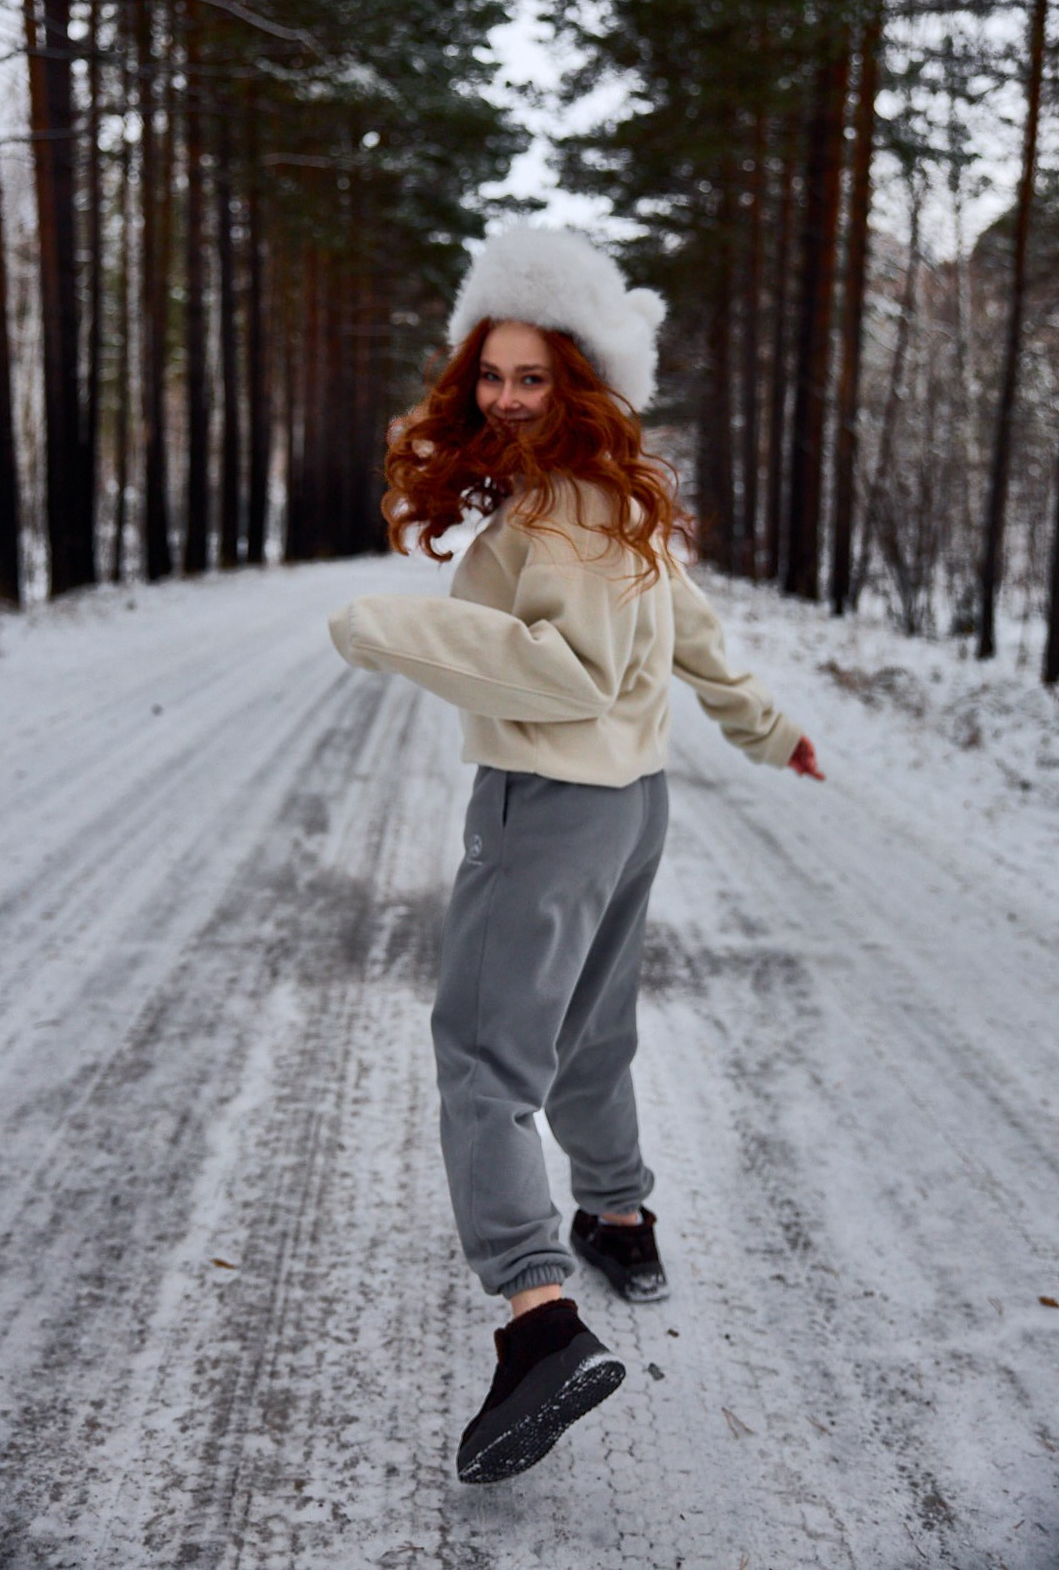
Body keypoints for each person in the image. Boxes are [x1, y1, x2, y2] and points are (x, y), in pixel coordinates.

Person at [327, 226, 823, 1486]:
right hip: (632, 808)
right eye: (489, 374)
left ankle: (538, 1318)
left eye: (532, 377)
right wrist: (770, 729)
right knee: (594, 1028)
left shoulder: (555, 515)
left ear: (582, 377)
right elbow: (690, 628)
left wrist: (381, 629)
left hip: (547, 806)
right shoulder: (622, 496)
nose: (504, 397)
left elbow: (571, 673)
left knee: (485, 1061)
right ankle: (620, 1216)